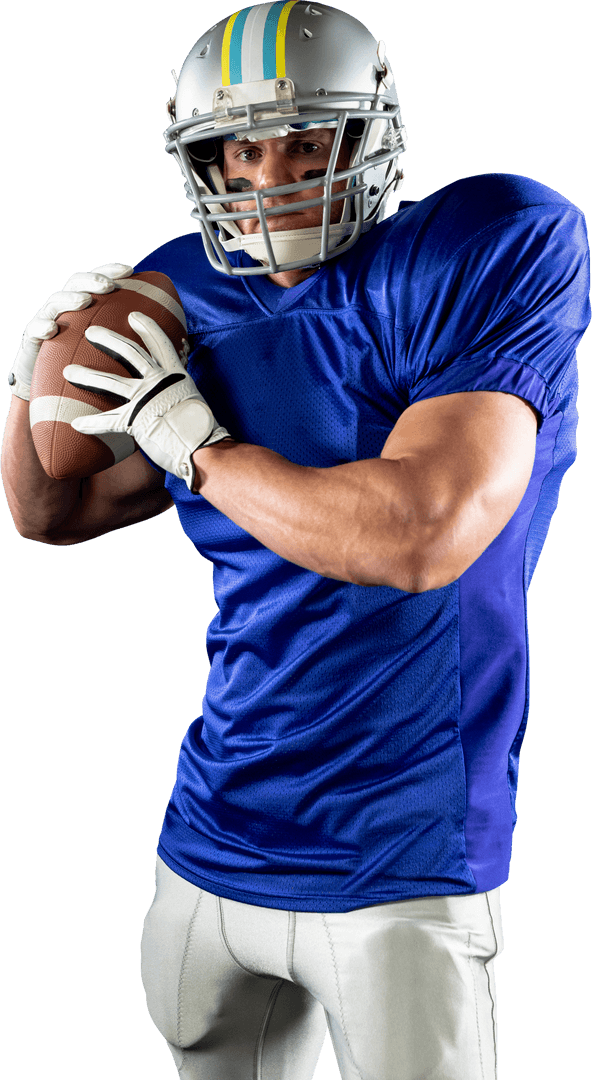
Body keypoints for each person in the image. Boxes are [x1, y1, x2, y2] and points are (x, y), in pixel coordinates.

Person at [2, 3, 590, 1078]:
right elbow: (52, 513)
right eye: (240, 150)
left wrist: (198, 445)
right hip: (211, 829)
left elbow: (420, 536)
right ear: (203, 161)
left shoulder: (486, 244)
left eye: (306, 141)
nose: (270, 175)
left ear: (371, 135)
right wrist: (28, 382)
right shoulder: (179, 288)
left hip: (398, 849)